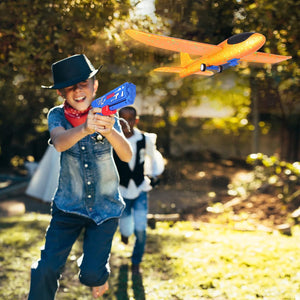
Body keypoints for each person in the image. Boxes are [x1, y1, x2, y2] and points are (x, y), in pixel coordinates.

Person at [28, 54, 132, 300]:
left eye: (82, 84)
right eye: (69, 88)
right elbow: (60, 142)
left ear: (94, 86)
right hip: (68, 208)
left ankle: (96, 274)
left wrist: (109, 131)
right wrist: (86, 127)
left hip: (105, 209)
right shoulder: (57, 115)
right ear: (61, 94)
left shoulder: (107, 114)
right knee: (46, 268)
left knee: (91, 276)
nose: (77, 91)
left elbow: (126, 156)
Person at [113, 106, 164, 275]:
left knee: (141, 229)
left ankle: (136, 262)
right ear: (117, 120)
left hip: (140, 187)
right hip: (121, 189)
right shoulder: (113, 138)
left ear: (136, 120)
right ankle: (125, 233)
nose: (126, 123)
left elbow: (153, 157)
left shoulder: (144, 139)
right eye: (122, 119)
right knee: (125, 224)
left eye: (130, 119)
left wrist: (155, 174)